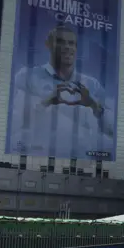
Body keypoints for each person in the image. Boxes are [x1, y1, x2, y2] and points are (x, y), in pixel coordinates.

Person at [8, 25, 115, 159]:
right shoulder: (27, 77)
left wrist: (93, 105)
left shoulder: (92, 85)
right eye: (60, 41)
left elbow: (113, 132)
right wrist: (47, 101)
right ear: (48, 44)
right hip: (35, 159)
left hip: (83, 164)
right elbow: (12, 124)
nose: (67, 47)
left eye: (71, 43)